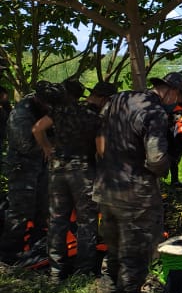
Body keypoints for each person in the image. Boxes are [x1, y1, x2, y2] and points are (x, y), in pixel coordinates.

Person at [96, 72, 182, 293]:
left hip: (107, 187)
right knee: (135, 257)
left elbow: (101, 136)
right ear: (170, 91)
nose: (176, 103)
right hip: (135, 195)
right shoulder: (155, 112)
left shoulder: (118, 99)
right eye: (178, 97)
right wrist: (175, 149)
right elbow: (156, 160)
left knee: (114, 251)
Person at [32, 80, 116, 279]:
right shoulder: (93, 118)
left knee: (57, 220)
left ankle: (56, 271)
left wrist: (46, 148)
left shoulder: (58, 113)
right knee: (86, 222)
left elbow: (37, 128)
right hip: (83, 172)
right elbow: (101, 150)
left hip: (58, 169)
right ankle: (84, 271)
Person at [0, 83, 55, 264]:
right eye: (48, 104)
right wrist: (48, 140)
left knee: (42, 208)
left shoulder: (42, 108)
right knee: (20, 211)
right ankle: (9, 254)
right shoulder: (21, 115)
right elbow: (25, 145)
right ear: (39, 99)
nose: (50, 108)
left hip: (40, 165)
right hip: (22, 167)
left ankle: (35, 247)